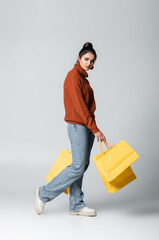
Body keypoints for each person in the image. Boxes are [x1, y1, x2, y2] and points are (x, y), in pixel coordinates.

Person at [34, 42, 106, 217]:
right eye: (86, 59)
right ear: (79, 58)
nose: (89, 63)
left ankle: (76, 204)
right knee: (77, 166)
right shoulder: (73, 76)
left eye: (92, 60)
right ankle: (43, 193)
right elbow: (81, 108)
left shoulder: (83, 79)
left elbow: (88, 109)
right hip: (77, 125)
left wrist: (94, 129)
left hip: (86, 127)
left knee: (82, 165)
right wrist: (95, 129)